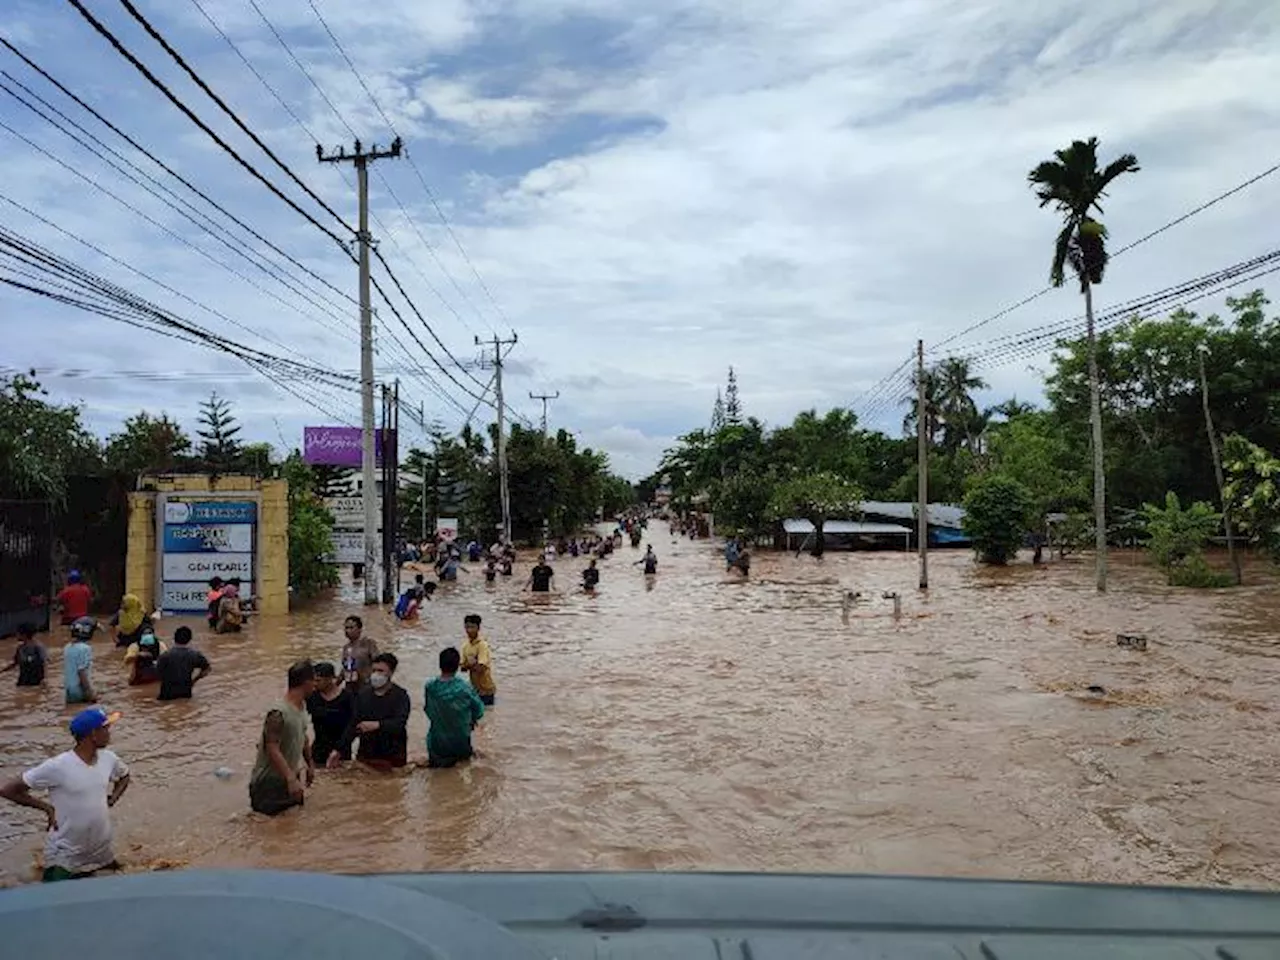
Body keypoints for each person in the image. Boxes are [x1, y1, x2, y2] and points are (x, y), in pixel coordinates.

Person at [0, 706, 129, 882]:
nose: (109, 733)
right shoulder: (58, 766)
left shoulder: (109, 758)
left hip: (100, 852)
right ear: (93, 734)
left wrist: (112, 799)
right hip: (65, 856)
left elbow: (124, 776)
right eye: (105, 729)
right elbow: (8, 790)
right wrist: (47, 808)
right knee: (51, 901)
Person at [249, 660, 316, 816]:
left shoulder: (301, 707)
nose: (315, 685)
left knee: (292, 830)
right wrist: (290, 778)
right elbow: (271, 747)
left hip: (289, 779)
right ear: (306, 683)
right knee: (267, 830)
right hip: (269, 783)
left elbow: (303, 736)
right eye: (314, 681)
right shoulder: (278, 712)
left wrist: (309, 764)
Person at [329, 653, 410, 770]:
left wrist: (377, 725)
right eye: (374, 670)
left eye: (381, 671)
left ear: (391, 672)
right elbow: (353, 723)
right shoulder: (363, 694)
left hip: (393, 756)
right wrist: (338, 750)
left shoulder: (401, 696)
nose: (376, 674)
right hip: (366, 754)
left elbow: (400, 723)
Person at [424, 647, 485, 768]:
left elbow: (428, 709)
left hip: (437, 741)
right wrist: (471, 720)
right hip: (461, 739)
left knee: (437, 774)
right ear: (457, 666)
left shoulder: (430, 686)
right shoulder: (465, 688)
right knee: (463, 768)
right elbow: (479, 710)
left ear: (440, 664)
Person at [305, 662, 354, 766]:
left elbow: (352, 726)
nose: (314, 683)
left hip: (341, 751)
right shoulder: (312, 697)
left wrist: (339, 750)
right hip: (318, 749)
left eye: (318, 680)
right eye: (313, 680)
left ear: (330, 679)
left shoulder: (347, 698)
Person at [155, 626, 211, 701]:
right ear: (189, 639)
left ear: (174, 638)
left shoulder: (165, 656)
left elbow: (158, 673)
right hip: (185, 693)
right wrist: (194, 680)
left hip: (166, 695)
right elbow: (207, 669)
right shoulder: (195, 655)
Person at [459, 614, 496, 706]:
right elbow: (462, 668)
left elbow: (481, 668)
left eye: (472, 627)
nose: (469, 630)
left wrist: (468, 665)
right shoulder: (465, 646)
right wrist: (471, 665)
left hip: (486, 690)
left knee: (487, 716)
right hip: (474, 689)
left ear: (478, 628)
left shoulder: (482, 645)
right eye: (467, 627)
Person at [64, 616, 96, 705]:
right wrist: (89, 692)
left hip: (69, 691)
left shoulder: (67, 647)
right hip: (80, 690)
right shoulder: (85, 649)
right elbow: (82, 672)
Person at [339, 615, 378, 688]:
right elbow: (345, 668)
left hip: (366, 686)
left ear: (360, 629)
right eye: (346, 628)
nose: (347, 631)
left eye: (351, 628)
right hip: (350, 686)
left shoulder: (368, 643)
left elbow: (378, 663)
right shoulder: (346, 647)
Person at [4, 622, 47, 686]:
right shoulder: (20, 648)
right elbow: (15, 663)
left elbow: (44, 662)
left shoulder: (38, 647)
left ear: (24, 635)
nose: (16, 635)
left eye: (17, 633)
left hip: (35, 681)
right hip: (23, 681)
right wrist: (2, 671)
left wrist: (44, 680)